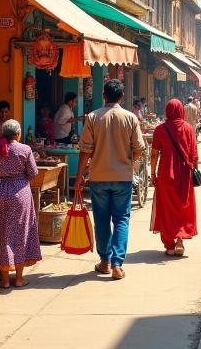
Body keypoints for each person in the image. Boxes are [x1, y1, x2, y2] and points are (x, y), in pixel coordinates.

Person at [75, 79, 145, 280]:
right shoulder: (131, 118)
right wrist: (128, 162)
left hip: (98, 177)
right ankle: (117, 264)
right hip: (123, 177)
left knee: (102, 219)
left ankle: (104, 261)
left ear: (103, 95)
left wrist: (80, 176)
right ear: (122, 97)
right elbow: (138, 149)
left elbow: (85, 151)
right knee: (121, 219)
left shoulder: (92, 117)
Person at [0, 119, 41, 288]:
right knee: (20, 232)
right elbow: (33, 173)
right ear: (18, 134)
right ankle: (19, 278)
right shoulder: (25, 149)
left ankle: (4, 279)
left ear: (2, 134)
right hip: (20, 196)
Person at [150, 99, 198, 256]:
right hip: (184, 174)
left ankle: (169, 245)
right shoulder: (189, 129)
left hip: (166, 174)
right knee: (183, 207)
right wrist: (194, 172)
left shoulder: (160, 130)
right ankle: (180, 241)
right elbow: (194, 154)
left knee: (166, 209)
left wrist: (152, 174)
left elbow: (154, 154)